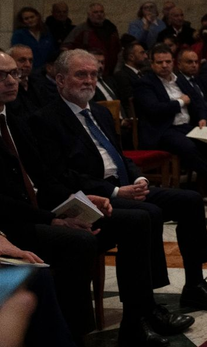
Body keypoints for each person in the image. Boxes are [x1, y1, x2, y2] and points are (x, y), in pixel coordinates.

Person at [0, 51, 184, 346]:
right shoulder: (36, 118)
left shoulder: (13, 119)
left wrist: (84, 200)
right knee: (82, 239)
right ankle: (75, 334)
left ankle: (137, 320)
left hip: (47, 204)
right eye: (2, 75)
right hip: (16, 221)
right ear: (59, 80)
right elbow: (8, 198)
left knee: (140, 218)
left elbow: (45, 177)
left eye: (14, 74)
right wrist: (55, 217)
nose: (11, 80)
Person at [131, 45, 207, 189]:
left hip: (187, 127)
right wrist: (180, 102)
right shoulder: (145, 83)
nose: (164, 65)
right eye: (159, 63)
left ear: (173, 62)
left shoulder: (180, 80)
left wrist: (202, 118)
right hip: (163, 130)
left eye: (167, 61)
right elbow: (154, 109)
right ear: (152, 64)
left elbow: (198, 102)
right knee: (188, 147)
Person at [62, 2, 121, 75]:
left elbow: (117, 49)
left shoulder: (111, 29)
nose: (99, 14)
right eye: (95, 12)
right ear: (89, 14)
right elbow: (66, 48)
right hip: (88, 71)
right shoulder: (81, 30)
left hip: (110, 72)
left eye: (101, 12)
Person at [9, 8, 55, 72]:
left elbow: (52, 51)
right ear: (22, 21)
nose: (30, 20)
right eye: (26, 19)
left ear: (37, 17)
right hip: (28, 70)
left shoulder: (46, 32)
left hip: (45, 70)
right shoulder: (19, 34)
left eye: (32, 17)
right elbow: (17, 53)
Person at [111, 42, 147, 109]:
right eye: (142, 53)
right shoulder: (122, 75)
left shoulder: (143, 73)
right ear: (131, 57)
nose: (146, 56)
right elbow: (129, 99)